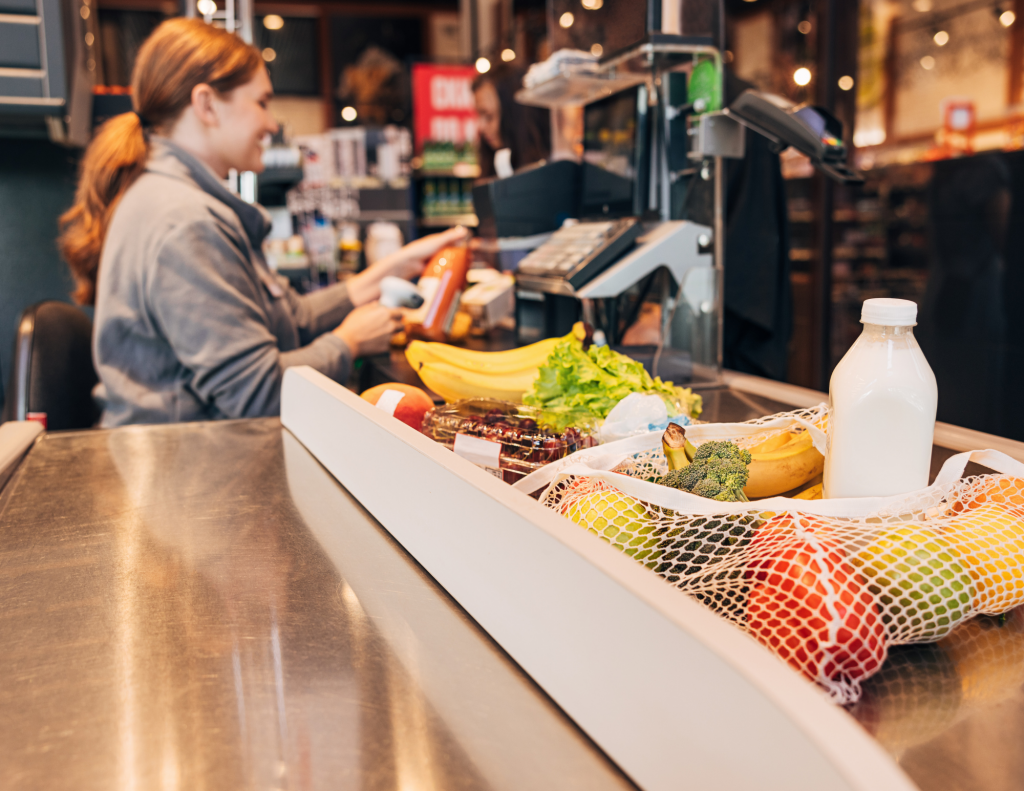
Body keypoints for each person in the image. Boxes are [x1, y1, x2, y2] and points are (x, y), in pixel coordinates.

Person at [59, 18, 466, 426]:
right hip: (183, 466)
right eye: (262, 103)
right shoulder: (185, 221)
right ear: (206, 105)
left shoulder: (178, 200)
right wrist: (348, 343)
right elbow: (255, 393)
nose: (273, 124)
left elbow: (291, 318)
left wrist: (390, 269)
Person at [472, 65, 550, 178]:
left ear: (514, 114)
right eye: (479, 116)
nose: (482, 127)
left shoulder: (544, 171)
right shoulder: (491, 169)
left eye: (489, 116)